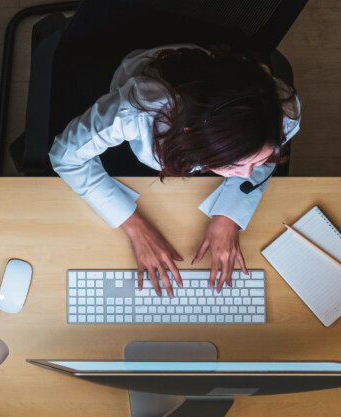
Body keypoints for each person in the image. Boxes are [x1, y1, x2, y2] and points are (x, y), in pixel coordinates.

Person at [50, 44, 300, 296]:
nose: (247, 176)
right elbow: (65, 156)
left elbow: (264, 157)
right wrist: (134, 226)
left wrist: (228, 215)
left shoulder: (280, 109)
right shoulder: (137, 112)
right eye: (232, 164)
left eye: (255, 163)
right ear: (193, 137)